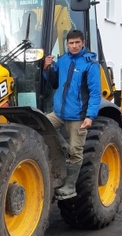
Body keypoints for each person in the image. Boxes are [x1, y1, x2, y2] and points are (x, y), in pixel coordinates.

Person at [42, 29, 102, 200]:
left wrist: (90, 116)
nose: (74, 46)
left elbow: (95, 93)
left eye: (77, 42)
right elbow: (54, 83)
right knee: (40, 127)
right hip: (59, 113)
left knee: (75, 151)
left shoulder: (90, 65)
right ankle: (62, 149)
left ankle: (70, 187)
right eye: (71, 43)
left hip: (78, 116)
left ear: (83, 43)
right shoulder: (63, 60)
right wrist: (47, 68)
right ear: (67, 44)